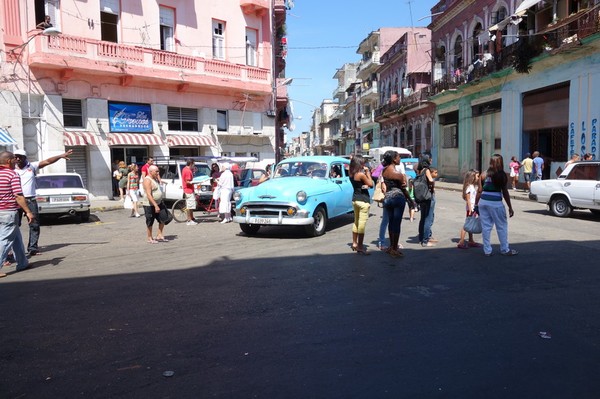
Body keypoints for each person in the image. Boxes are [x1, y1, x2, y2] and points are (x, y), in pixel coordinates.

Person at [14, 148, 72, 256]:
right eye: (16, 156)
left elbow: (47, 161)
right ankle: (10, 252)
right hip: (16, 199)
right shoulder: (11, 169)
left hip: (30, 199)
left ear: (25, 158)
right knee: (14, 225)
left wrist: (60, 156)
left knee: (34, 224)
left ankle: (33, 248)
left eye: (20, 157)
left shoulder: (31, 166)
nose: (17, 159)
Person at [0, 151, 35, 277]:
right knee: (4, 240)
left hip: (1, 212)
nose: (16, 161)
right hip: (8, 212)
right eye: (14, 159)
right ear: (8, 161)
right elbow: (18, 196)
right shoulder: (12, 175)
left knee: (16, 238)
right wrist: (28, 211)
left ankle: (22, 263)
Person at [476, 154, 517, 256]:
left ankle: (487, 251)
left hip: (483, 202)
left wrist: (476, 205)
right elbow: (505, 192)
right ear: (500, 162)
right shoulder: (502, 175)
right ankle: (505, 249)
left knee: (486, 227)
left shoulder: (484, 174)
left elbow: (479, 191)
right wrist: (510, 207)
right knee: (501, 226)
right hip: (495, 203)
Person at [381, 150, 413, 257]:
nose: (400, 159)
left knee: (390, 222)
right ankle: (395, 248)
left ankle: (391, 247)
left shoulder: (384, 171)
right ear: (394, 159)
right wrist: (411, 201)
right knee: (397, 223)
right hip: (398, 198)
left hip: (387, 198)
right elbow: (404, 189)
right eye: (399, 157)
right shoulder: (398, 174)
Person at [349, 155, 373, 255]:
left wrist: (365, 185)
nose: (364, 165)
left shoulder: (351, 173)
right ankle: (360, 246)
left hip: (355, 199)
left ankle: (354, 243)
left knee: (356, 222)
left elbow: (364, 186)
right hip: (363, 200)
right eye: (362, 163)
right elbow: (371, 184)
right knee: (362, 224)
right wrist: (367, 172)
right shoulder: (361, 175)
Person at [141, 165, 167, 243]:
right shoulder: (147, 180)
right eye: (156, 171)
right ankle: (150, 237)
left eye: (158, 171)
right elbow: (149, 194)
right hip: (149, 204)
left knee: (163, 218)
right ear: (151, 171)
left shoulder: (154, 178)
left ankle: (159, 235)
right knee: (150, 221)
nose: (158, 173)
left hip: (159, 202)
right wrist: (155, 205)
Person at [457, 169, 482, 249]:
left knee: (471, 223)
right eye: (477, 176)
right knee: (467, 224)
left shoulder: (473, 186)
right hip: (470, 208)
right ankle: (461, 242)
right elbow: (468, 199)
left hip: (473, 207)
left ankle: (471, 240)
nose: (478, 178)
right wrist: (471, 209)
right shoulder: (469, 187)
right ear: (472, 177)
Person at [417, 154, 437, 247]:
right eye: (430, 159)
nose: (431, 160)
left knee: (423, 218)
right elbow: (431, 180)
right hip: (428, 196)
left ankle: (421, 237)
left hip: (421, 197)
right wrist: (432, 189)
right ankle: (425, 240)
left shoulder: (420, 170)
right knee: (428, 218)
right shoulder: (426, 170)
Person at [182, 159, 198, 225]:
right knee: (189, 205)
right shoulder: (188, 171)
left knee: (191, 205)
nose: (194, 165)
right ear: (191, 164)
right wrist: (195, 182)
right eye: (193, 164)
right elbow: (188, 181)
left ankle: (191, 217)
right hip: (189, 190)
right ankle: (189, 220)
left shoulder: (185, 169)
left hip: (188, 189)